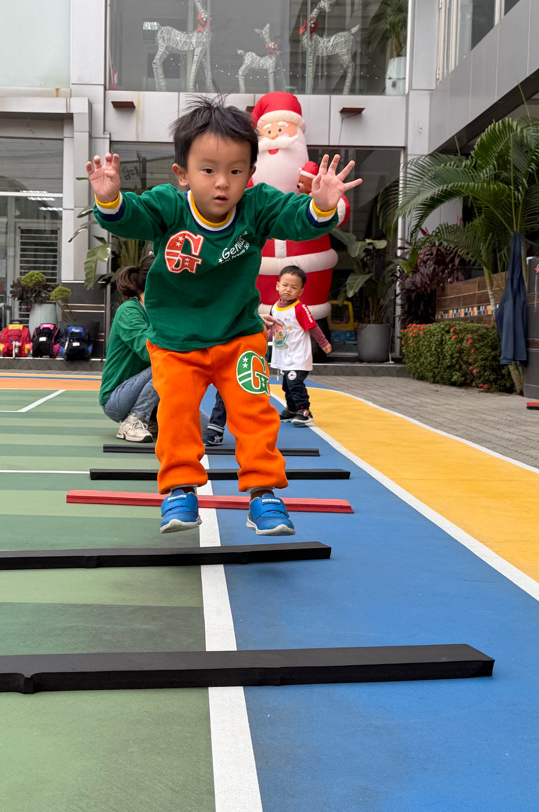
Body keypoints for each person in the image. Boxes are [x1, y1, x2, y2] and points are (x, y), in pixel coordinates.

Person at [88, 96, 361, 537]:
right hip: (176, 342)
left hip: (238, 338)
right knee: (176, 414)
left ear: (250, 174)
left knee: (254, 413)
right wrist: (110, 198)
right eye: (208, 170)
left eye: (235, 172)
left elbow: (297, 218)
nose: (222, 183)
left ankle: (263, 494)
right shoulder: (170, 207)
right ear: (182, 173)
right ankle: (180, 489)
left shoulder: (257, 206)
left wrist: (321, 205)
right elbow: (132, 217)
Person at [99, 260, 158, 443]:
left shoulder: (162, 312)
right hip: (117, 400)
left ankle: (152, 420)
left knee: (203, 431)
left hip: (155, 396)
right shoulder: (129, 312)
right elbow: (148, 351)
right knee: (168, 364)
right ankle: (135, 420)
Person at [268, 265, 331, 426]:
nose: (288, 289)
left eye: (294, 287)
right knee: (286, 384)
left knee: (294, 383)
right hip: (283, 355)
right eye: (285, 285)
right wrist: (262, 339)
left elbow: (313, 327)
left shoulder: (300, 308)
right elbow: (272, 329)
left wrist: (323, 343)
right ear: (278, 285)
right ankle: (291, 409)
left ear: (301, 291)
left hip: (298, 356)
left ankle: (304, 410)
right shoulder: (274, 308)